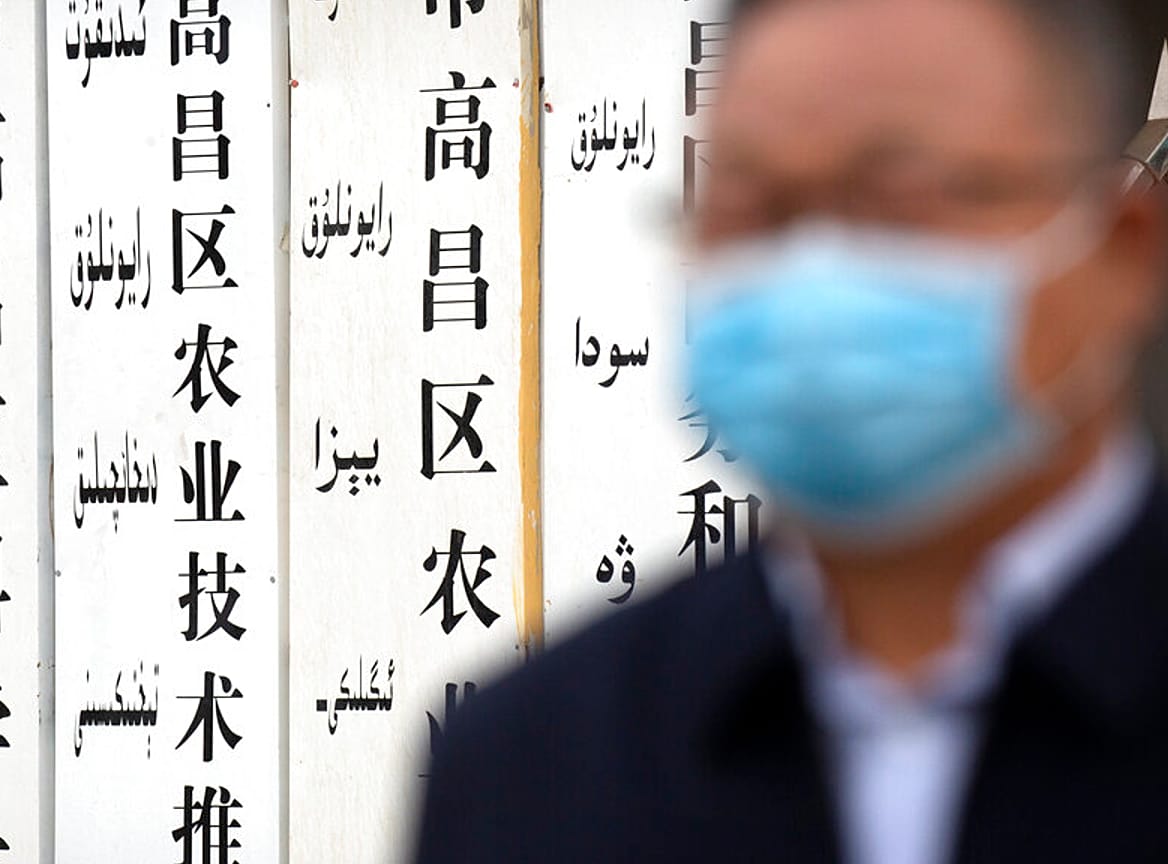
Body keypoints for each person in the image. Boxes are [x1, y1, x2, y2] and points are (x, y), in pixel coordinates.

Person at [412, 0, 1168, 861]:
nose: (815, 273)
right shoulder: (535, 764)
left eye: (898, 203)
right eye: (753, 211)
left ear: (1123, 250)